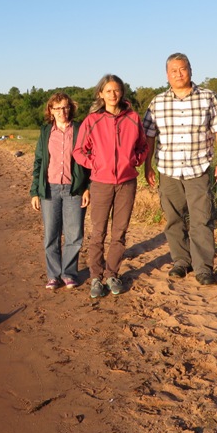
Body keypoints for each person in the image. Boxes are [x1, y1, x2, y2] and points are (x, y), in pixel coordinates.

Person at [143, 52, 217, 286]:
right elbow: (148, 137)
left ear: (190, 70)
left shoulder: (208, 97)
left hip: (198, 167)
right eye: (174, 71)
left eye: (182, 69)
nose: (178, 74)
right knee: (173, 218)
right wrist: (147, 165)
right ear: (167, 74)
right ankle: (181, 261)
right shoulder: (157, 102)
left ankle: (203, 267)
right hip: (168, 169)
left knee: (201, 218)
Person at [73, 74, 147, 298]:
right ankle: (96, 277)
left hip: (126, 182)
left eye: (116, 90)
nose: (113, 94)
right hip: (101, 183)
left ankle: (112, 274)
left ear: (122, 92)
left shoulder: (133, 118)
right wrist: (95, 164)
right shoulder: (92, 120)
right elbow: (79, 151)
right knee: (98, 232)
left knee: (120, 232)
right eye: (108, 91)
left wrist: (135, 161)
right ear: (100, 94)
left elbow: (143, 147)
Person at [30, 92, 91, 290]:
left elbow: (90, 160)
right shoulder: (46, 131)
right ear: (50, 110)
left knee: (74, 234)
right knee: (51, 235)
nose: (61, 112)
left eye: (65, 107)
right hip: (49, 188)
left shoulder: (81, 129)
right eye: (57, 108)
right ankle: (54, 275)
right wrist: (34, 192)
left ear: (70, 108)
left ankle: (69, 274)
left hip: (74, 189)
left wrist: (87, 188)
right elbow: (39, 161)